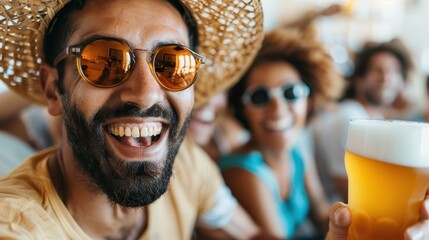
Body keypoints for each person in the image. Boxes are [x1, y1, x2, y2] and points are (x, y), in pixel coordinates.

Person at [0, 0, 266, 239]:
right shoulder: (15, 226)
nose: (145, 95)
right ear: (53, 89)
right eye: (104, 62)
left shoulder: (187, 166)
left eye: (172, 63)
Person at [218, 29, 344, 239]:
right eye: (260, 97)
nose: (277, 108)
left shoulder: (297, 149)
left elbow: (321, 213)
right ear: (242, 109)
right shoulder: (242, 172)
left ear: (309, 100)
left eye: (291, 93)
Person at [311, 38, 415, 201]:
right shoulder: (350, 119)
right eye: (378, 70)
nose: (386, 77)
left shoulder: (375, 119)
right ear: (359, 80)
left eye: (394, 71)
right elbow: (352, 196)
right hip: (333, 216)